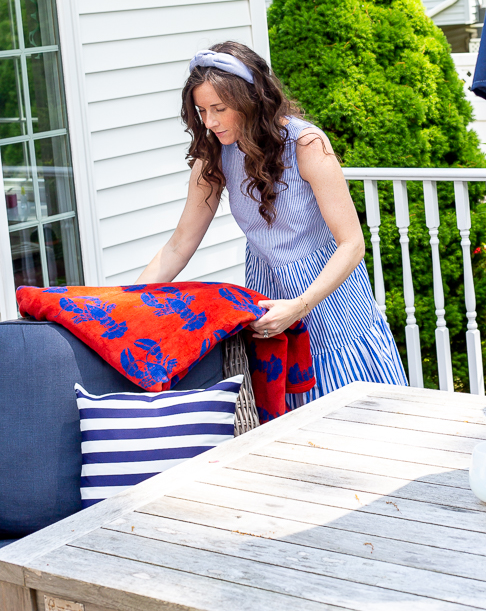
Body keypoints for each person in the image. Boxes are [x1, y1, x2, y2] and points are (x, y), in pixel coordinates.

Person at [139, 41, 407, 406]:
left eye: (220, 108)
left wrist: (300, 305)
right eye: (201, 110)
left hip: (329, 297)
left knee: (358, 415)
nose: (210, 122)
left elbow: (352, 244)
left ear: (251, 100)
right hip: (269, 293)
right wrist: (125, 304)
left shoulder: (306, 144)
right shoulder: (214, 157)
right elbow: (178, 245)